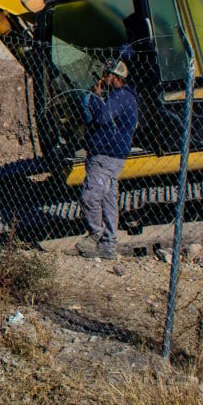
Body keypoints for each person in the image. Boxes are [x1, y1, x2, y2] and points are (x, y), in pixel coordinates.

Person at [76, 60, 139, 259]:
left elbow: (103, 117)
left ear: (116, 77)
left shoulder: (121, 97)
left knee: (91, 196)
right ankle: (108, 245)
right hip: (112, 156)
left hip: (105, 156)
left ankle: (95, 234)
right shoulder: (123, 97)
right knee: (109, 200)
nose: (104, 78)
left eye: (107, 75)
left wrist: (95, 97)